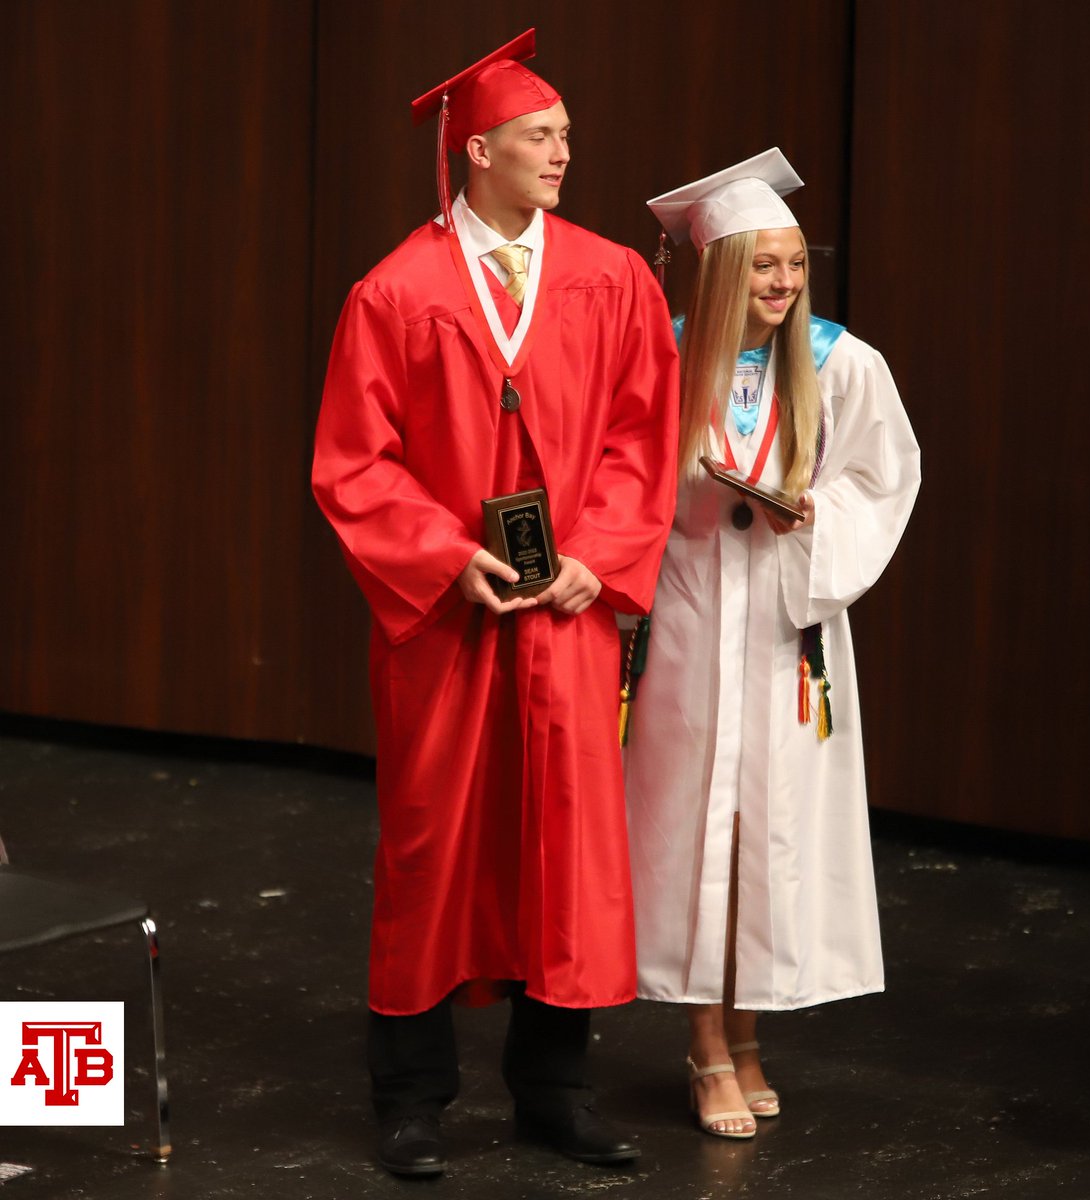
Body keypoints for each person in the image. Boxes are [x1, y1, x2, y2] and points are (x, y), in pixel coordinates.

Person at [311, 29, 678, 1177]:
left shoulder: (609, 275)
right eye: (540, 135)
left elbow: (637, 438)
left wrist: (600, 555)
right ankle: (411, 1098)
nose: (563, 151)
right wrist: (438, 553)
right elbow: (353, 463)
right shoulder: (397, 290)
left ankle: (554, 1090)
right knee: (434, 844)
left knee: (566, 846)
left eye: (565, 134)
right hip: (450, 623)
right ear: (478, 152)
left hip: (565, 614)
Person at [624, 150, 920, 1138]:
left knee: (769, 833)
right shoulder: (657, 359)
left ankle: (750, 1036)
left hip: (789, 629)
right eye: (762, 267)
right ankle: (706, 1042)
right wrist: (691, 499)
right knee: (695, 831)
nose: (784, 284)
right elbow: (617, 483)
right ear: (718, 272)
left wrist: (809, 519)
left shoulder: (842, 361)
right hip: (689, 622)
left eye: (794, 264)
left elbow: (882, 482)